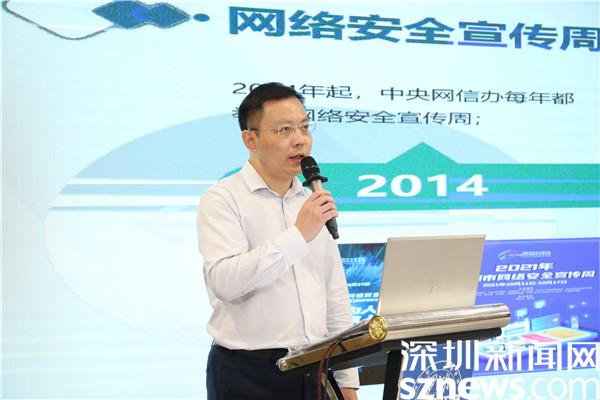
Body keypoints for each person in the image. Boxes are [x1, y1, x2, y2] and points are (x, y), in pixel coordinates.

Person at [197, 82, 359, 400]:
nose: (300, 139)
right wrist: (298, 235)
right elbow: (225, 282)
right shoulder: (223, 198)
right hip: (248, 374)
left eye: (304, 127)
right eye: (284, 130)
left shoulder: (311, 200)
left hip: (315, 367)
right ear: (250, 139)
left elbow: (334, 293)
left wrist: (347, 381)